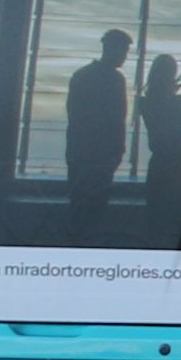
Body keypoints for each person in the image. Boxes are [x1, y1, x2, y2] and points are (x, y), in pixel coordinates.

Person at [63, 30, 133, 230]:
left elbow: (74, 116)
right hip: (103, 155)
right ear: (113, 49)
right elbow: (118, 119)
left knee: (78, 207)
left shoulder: (81, 76)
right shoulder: (116, 81)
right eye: (124, 51)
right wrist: (118, 151)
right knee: (96, 209)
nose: (125, 57)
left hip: (80, 153)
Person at [136, 52, 181, 245]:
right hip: (180, 163)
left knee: (157, 215)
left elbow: (160, 105)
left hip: (158, 163)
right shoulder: (180, 103)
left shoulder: (143, 103)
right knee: (178, 214)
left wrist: (172, 88)